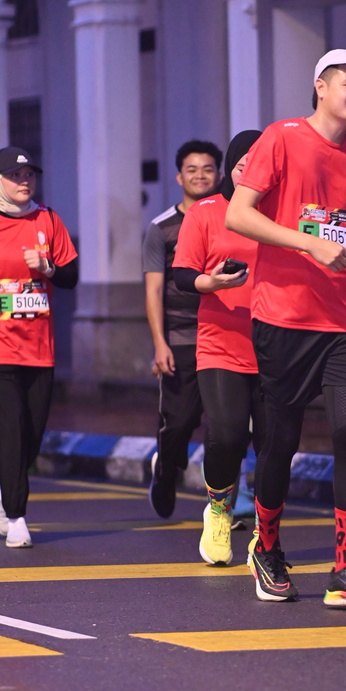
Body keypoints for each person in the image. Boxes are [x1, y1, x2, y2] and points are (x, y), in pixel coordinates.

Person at [226, 49, 346, 608]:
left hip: (345, 319)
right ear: (320, 86)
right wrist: (308, 244)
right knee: (281, 442)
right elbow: (239, 214)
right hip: (284, 316)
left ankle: (345, 571)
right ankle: (267, 549)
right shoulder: (282, 137)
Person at [172, 130, 263, 566]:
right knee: (227, 433)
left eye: (261, 164)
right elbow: (182, 274)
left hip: (277, 344)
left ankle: (268, 534)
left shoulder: (284, 213)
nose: (252, 171)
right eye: (244, 163)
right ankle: (220, 510)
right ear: (231, 166)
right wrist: (210, 282)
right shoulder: (207, 211)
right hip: (221, 343)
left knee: (275, 444)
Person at [0, 146, 78, 548]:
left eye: (29, 174)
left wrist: (47, 268)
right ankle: (16, 516)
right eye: (15, 175)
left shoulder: (48, 219)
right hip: (2, 350)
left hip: (39, 347)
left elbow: (70, 276)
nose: (24, 181)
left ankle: (6, 490)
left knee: (31, 434)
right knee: (11, 429)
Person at [143, 140, 222, 518]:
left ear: (219, 175)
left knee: (226, 425)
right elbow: (154, 289)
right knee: (179, 422)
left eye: (208, 169)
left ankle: (223, 504)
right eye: (192, 169)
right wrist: (160, 343)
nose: (200, 176)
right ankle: (166, 469)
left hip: (223, 333)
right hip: (181, 336)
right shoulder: (161, 228)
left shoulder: (234, 219)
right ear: (179, 177)